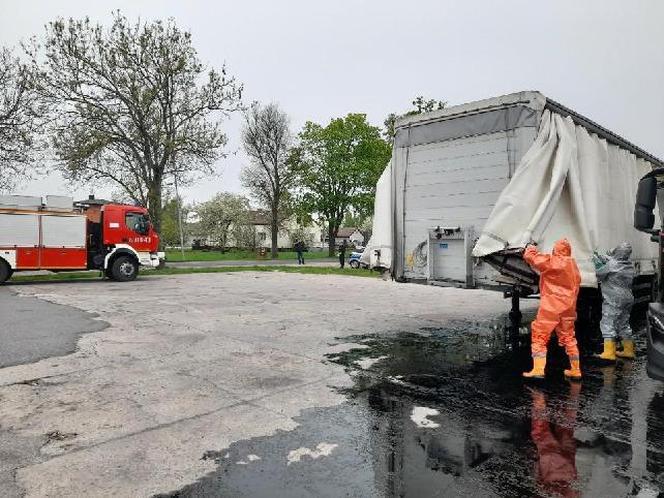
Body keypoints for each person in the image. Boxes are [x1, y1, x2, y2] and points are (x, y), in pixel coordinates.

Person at [522, 239, 583, 380]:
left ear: (555, 250)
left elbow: (532, 258)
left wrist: (530, 247)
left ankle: (538, 370)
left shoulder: (554, 261)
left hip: (551, 306)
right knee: (569, 337)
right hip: (568, 307)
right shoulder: (573, 265)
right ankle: (576, 370)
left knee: (540, 335)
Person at [593, 241, 635, 360]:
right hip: (628, 298)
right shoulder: (629, 265)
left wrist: (597, 262)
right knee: (624, 323)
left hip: (614, 299)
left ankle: (609, 353)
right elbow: (611, 260)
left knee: (608, 322)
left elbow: (599, 274)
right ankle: (628, 350)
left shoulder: (612, 265)